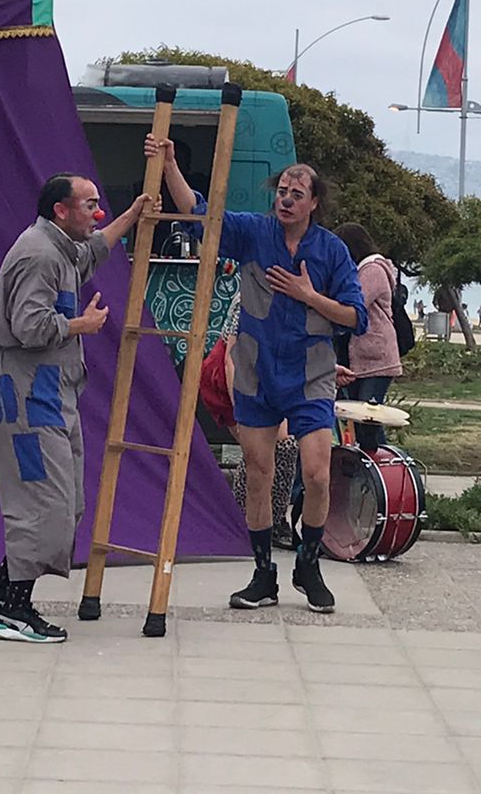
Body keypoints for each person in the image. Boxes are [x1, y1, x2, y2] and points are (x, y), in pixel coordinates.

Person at [149, 136, 366, 614]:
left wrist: (310, 295)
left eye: (296, 193)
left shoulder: (330, 251)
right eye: (282, 191)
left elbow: (355, 317)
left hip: (310, 374)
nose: (286, 199)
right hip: (255, 371)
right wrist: (168, 164)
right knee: (259, 472)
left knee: (316, 473)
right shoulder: (253, 232)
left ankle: (308, 563)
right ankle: (263, 573)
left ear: (314, 203)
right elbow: (201, 214)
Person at [0, 174, 154, 643]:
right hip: (24, 397)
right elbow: (29, 326)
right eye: (90, 205)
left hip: (48, 394)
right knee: (43, 502)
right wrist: (81, 324)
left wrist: (132, 216)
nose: (98, 215)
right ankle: (13, 610)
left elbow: (93, 251)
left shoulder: (64, 248)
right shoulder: (40, 253)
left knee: (65, 500)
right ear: (60, 210)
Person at [334, 223, 403, 452]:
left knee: (368, 420)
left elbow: (355, 303)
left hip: (377, 357)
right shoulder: (365, 270)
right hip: (361, 358)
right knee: (361, 419)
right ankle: (371, 466)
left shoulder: (372, 270)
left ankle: (381, 469)